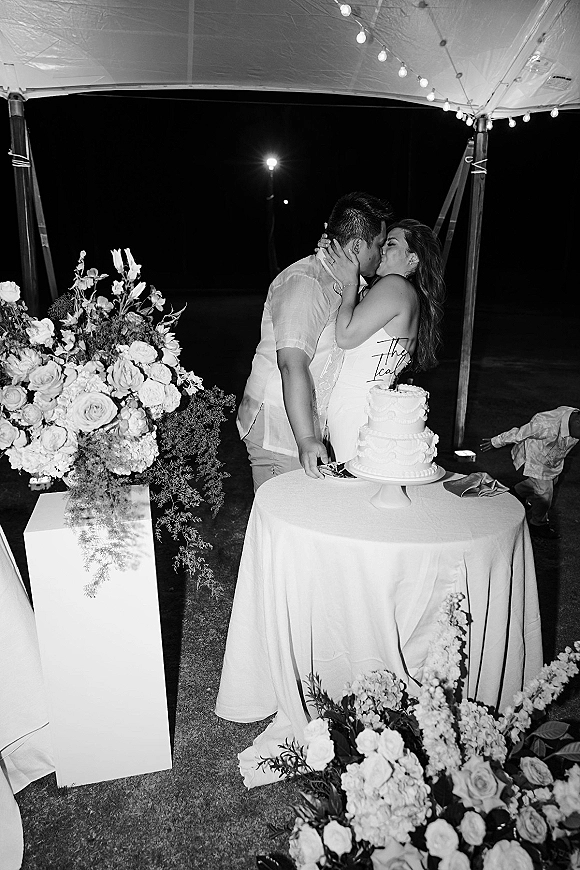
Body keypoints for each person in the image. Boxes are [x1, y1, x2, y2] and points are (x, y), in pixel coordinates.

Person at [237, 191, 392, 491]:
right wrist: (307, 439)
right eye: (379, 245)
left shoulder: (344, 283)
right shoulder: (306, 282)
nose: (382, 253)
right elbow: (291, 364)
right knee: (287, 524)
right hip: (281, 428)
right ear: (358, 245)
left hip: (302, 425)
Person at [318, 219, 445, 462]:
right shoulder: (404, 294)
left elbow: (345, 335)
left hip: (354, 408)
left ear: (413, 258)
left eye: (391, 244)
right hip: (371, 408)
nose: (382, 249)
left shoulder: (394, 285)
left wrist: (350, 283)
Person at [480, 406, 580, 540]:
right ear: (577, 422)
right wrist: (496, 442)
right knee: (545, 493)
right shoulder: (545, 424)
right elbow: (520, 433)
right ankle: (538, 523)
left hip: (552, 459)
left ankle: (517, 493)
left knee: (549, 482)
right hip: (535, 459)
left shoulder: (575, 419)